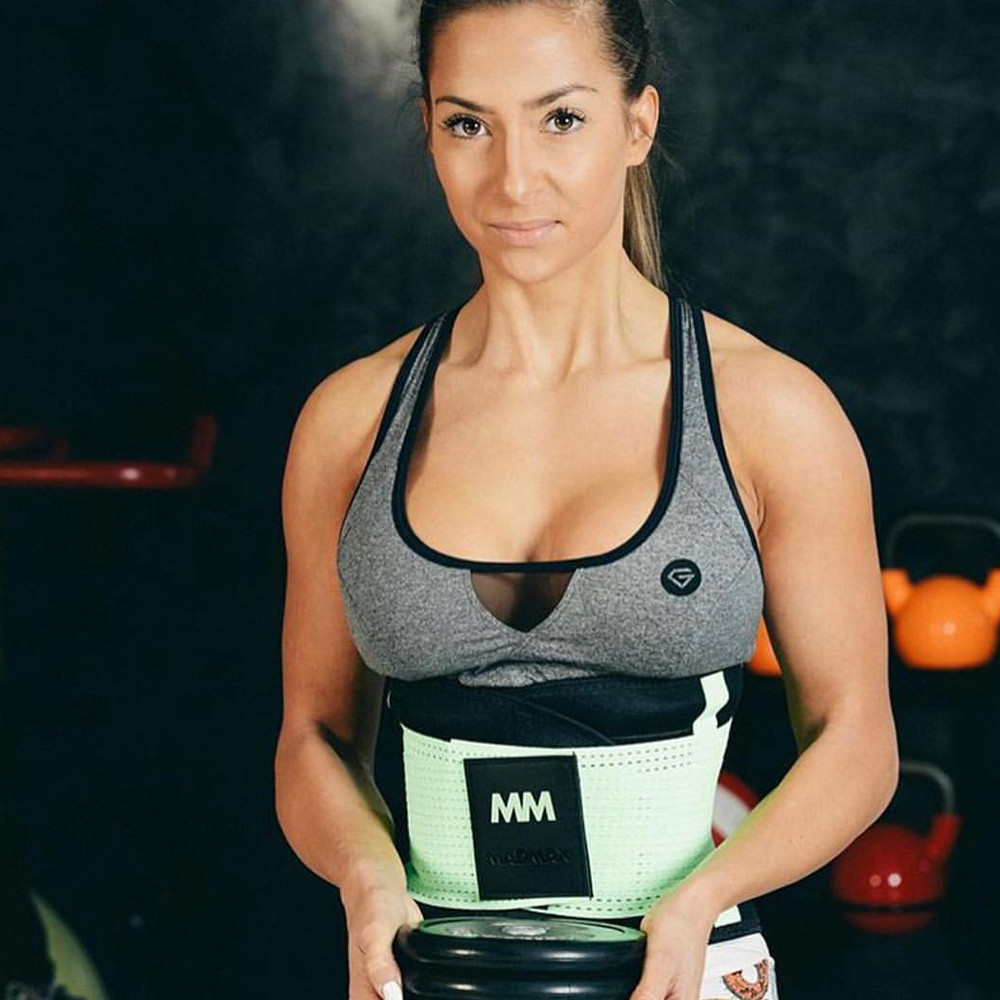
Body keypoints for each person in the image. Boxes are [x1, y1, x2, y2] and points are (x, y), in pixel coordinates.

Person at [275, 1, 899, 998]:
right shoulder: (350, 422)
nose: (514, 178)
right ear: (428, 129)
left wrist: (704, 896)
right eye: (468, 123)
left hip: (684, 970)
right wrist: (363, 876)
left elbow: (857, 740)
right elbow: (314, 736)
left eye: (560, 118)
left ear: (637, 124)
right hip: (425, 972)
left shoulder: (767, 410)